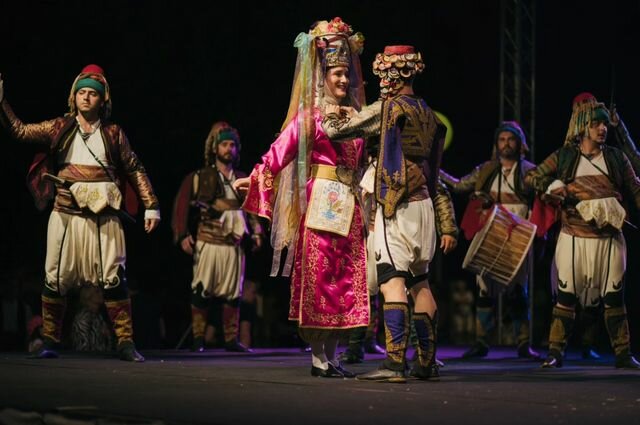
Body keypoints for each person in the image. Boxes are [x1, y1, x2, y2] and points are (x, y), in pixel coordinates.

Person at [233, 17, 369, 378]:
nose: (342, 80)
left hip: (350, 203)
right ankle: (318, 357)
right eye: (335, 74)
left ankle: (333, 355)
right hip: (322, 202)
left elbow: (365, 161)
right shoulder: (311, 117)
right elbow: (280, 150)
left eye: (345, 74)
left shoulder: (357, 116)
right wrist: (257, 175)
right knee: (321, 276)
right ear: (322, 76)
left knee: (344, 277)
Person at [0, 65, 160, 362]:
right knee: (55, 278)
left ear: (103, 100)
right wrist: (2, 104)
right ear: (74, 97)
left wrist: (151, 205)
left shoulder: (113, 134)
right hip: (66, 214)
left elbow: (134, 168)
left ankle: (125, 342)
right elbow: (20, 131)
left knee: (114, 278)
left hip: (105, 216)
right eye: (82, 93)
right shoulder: (59, 127)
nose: (86, 98)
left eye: (93, 94)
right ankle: (49, 339)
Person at [323, 45, 458, 382]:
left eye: (384, 74)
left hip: (395, 205)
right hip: (424, 204)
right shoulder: (428, 112)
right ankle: (426, 362)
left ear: (393, 75)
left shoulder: (389, 108)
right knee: (420, 281)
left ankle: (394, 363)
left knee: (391, 281)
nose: (381, 80)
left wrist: (329, 113)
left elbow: (336, 131)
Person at [525, 92, 640, 369]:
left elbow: (635, 187)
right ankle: (555, 351)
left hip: (609, 238)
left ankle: (623, 353)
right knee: (566, 297)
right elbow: (532, 177)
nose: (602, 129)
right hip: (574, 237)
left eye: (604, 124)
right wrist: (553, 186)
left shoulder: (615, 158)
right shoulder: (565, 157)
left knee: (614, 297)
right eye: (596, 124)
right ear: (582, 126)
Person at [439, 121, 540, 360]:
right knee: (485, 289)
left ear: (520, 143)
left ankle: (523, 343)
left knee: (518, 290)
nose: (506, 143)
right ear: (496, 144)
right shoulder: (486, 170)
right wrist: (435, 171)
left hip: (518, 234)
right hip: (491, 233)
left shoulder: (530, 171)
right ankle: (481, 342)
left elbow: (544, 195)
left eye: (511, 139)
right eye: (502, 139)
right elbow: (460, 185)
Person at [172, 121, 263, 353]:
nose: (229, 149)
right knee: (201, 290)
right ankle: (198, 340)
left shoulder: (242, 177)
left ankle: (231, 340)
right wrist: (182, 234)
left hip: (234, 244)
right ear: (215, 148)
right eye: (224, 144)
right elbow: (182, 206)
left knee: (234, 293)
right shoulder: (200, 177)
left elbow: (251, 208)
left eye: (232, 145)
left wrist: (257, 231)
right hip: (208, 241)